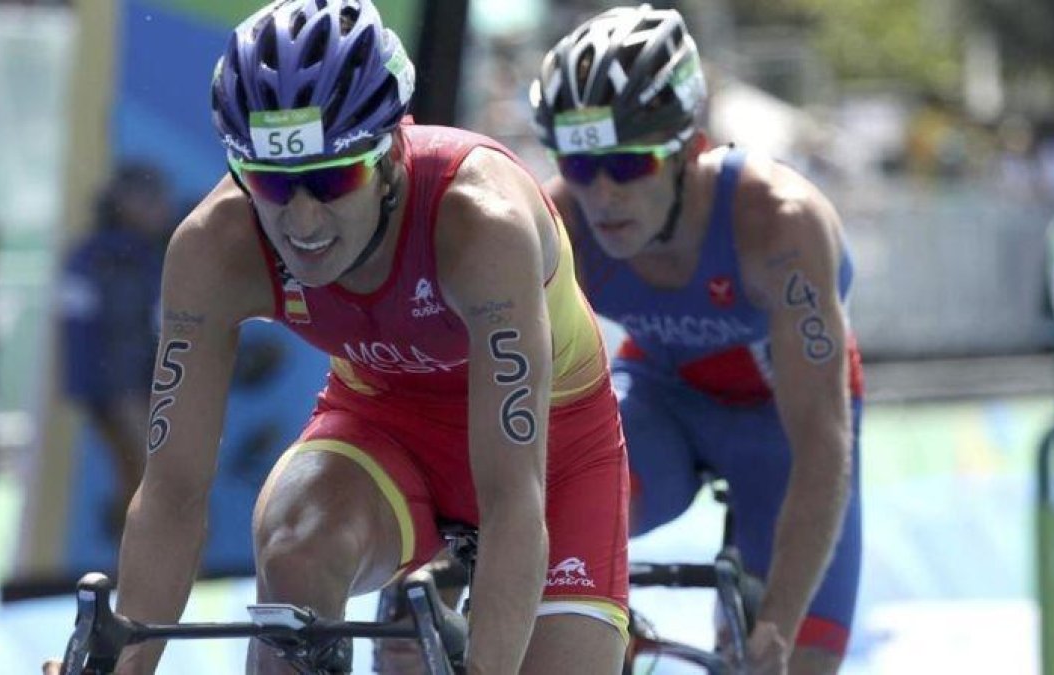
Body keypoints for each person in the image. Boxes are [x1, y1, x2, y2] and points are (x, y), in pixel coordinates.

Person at [43, 1, 629, 673]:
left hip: (552, 449)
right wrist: (128, 667)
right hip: (385, 422)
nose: (301, 217)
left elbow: (511, 501)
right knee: (295, 549)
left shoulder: (478, 223)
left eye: (329, 178)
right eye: (270, 180)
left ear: (388, 158)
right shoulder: (216, 246)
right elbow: (173, 492)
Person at [531, 6, 863, 674]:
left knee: (793, 657)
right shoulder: (557, 219)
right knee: (552, 531)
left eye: (627, 165)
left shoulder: (779, 226)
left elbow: (822, 446)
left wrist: (778, 622)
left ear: (691, 150)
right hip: (661, 397)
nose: (601, 194)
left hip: (787, 427)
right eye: (579, 162)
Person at [58, 161, 172, 538]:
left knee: (142, 483)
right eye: (152, 199)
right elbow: (78, 333)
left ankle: (148, 576)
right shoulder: (93, 258)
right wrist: (92, 393)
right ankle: (157, 576)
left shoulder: (158, 254)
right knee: (152, 483)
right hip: (121, 389)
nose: (162, 208)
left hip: (148, 387)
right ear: (126, 203)